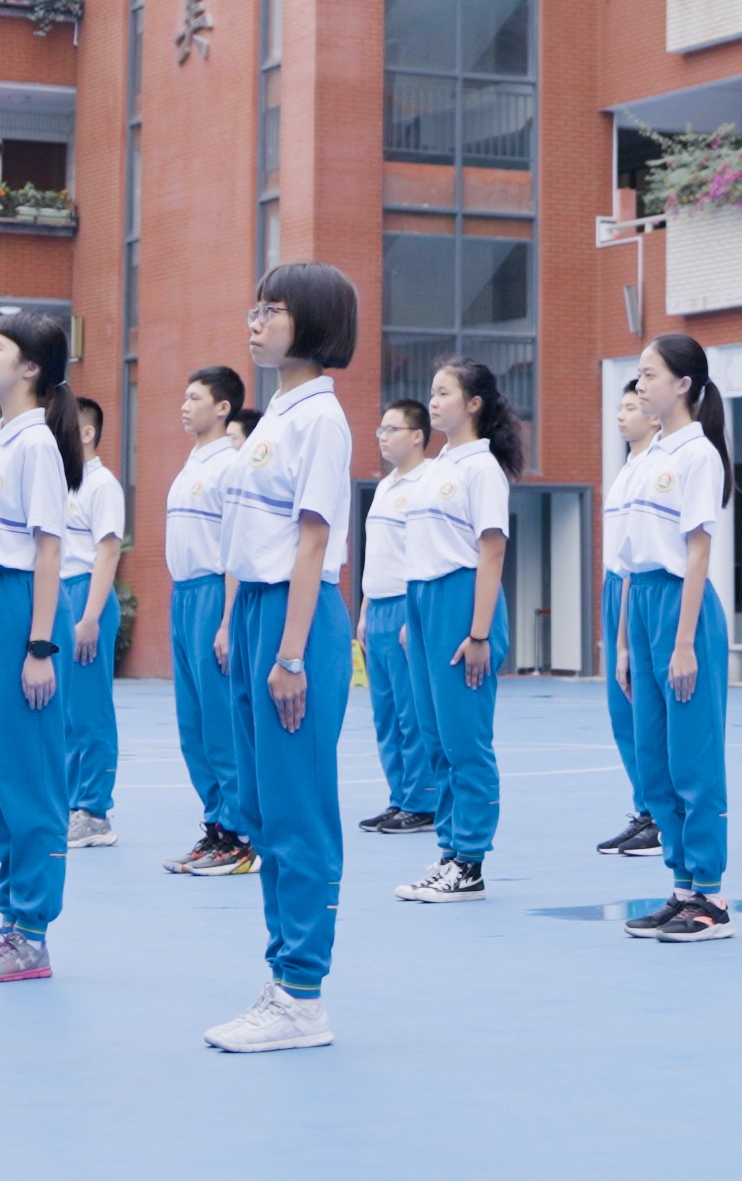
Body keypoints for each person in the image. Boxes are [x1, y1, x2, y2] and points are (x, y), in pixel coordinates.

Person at [201, 263, 362, 1054]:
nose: (255, 322)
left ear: (315, 323)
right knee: (261, 811)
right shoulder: (276, 418)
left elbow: (313, 541)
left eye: (273, 310)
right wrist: (238, 622)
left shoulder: (319, 422)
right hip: (259, 615)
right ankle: (283, 978)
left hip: (296, 625)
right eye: (254, 306)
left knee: (296, 811)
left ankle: (303, 993)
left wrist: (291, 652)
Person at [0, 312, 81, 984]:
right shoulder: (3, 438)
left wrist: (40, 645)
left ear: (30, 367)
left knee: (27, 774)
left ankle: (32, 930)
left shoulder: (35, 446)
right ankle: (11, 921)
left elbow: (48, 551)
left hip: (16, 607)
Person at [618, 334, 734, 944]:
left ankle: (711, 898)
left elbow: (697, 551)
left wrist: (683, 641)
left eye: (650, 374)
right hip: (644, 605)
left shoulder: (698, 455)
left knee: (693, 758)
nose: (640, 385)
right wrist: (627, 643)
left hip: (682, 610)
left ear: (684, 384)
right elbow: (632, 561)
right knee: (655, 761)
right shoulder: (648, 454)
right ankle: (682, 887)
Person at [393, 358, 518, 906]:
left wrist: (480, 633)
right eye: (432, 390)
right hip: (422, 605)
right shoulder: (438, 466)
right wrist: (408, 619)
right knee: (434, 738)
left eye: (444, 392)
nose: (433, 400)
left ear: (473, 404)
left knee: (465, 741)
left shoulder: (480, 469)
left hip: (462, 603)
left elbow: (491, 551)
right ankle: (449, 852)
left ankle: (470, 861)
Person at [160, 369, 256, 877]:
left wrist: (225, 621)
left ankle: (242, 835)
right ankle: (216, 826)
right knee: (192, 725)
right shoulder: (192, 462)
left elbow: (237, 550)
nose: (184, 404)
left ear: (223, 408)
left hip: (214, 594)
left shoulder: (231, 465)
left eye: (194, 397)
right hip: (183, 595)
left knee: (220, 723)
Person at [353, 400, 441, 838]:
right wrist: (366, 609)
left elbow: (423, 554)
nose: (383, 436)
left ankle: (423, 801)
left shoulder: (428, 482)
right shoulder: (386, 484)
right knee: (384, 713)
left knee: (411, 713)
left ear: (418, 436)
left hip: (408, 606)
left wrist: (415, 613)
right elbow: (378, 555)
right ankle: (400, 797)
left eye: (392, 428)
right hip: (380, 606)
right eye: (380, 428)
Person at [593, 379, 663, 858]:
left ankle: (660, 814)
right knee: (624, 713)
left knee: (645, 710)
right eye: (619, 407)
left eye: (631, 407)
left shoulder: (657, 465)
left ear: (655, 415)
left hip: (637, 586)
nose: (621, 415)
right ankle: (645, 808)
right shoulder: (626, 468)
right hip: (615, 586)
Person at [61, 395, 129, 852]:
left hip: (88, 595)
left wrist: (89, 616)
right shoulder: (66, 485)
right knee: (65, 712)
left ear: (85, 432)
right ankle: (72, 802)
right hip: (63, 593)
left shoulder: (102, 484)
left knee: (90, 710)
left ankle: (95, 811)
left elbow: (108, 550)